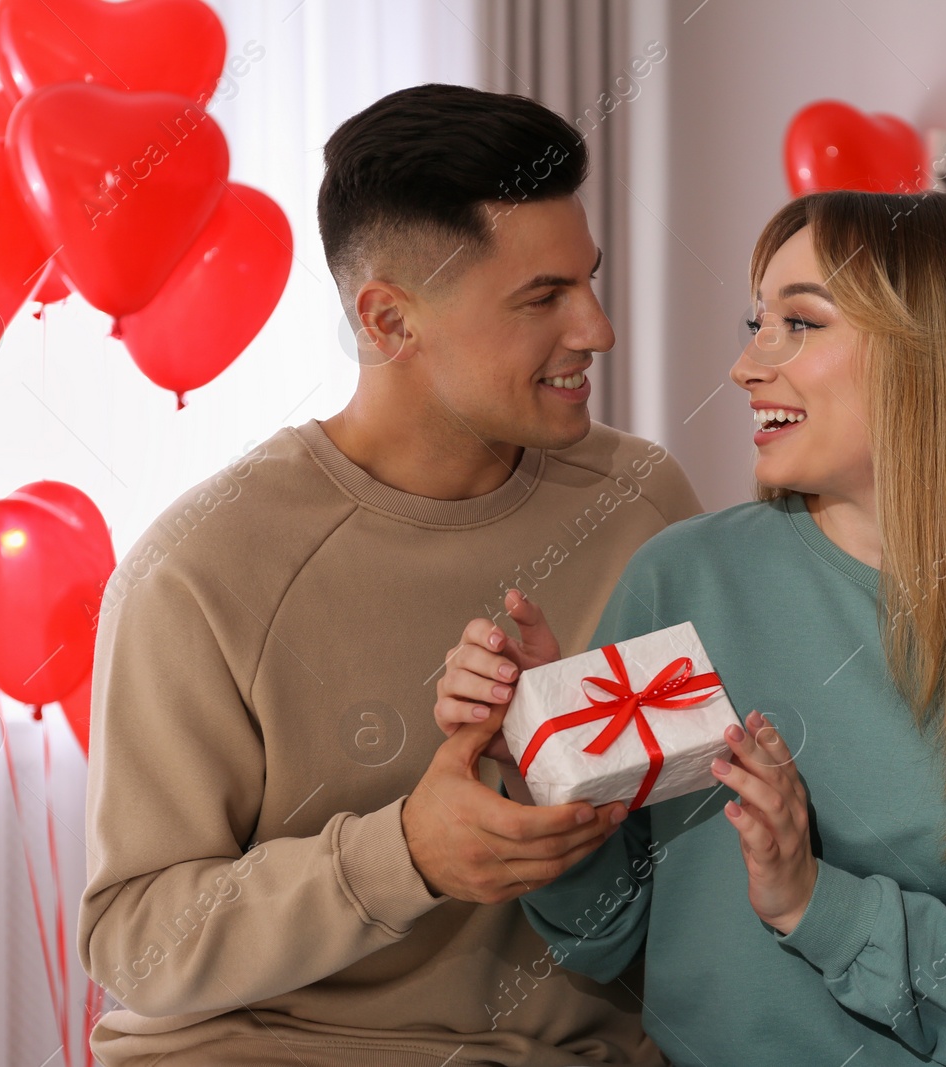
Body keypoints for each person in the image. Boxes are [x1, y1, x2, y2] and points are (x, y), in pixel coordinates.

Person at [436, 189, 946, 1066]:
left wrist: (818, 906)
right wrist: (545, 752)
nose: (746, 367)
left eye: (799, 323)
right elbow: (602, 937)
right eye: (756, 322)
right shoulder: (683, 578)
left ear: (937, 355)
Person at [77, 83, 701, 1067]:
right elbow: (135, 939)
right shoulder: (197, 567)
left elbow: (693, 846)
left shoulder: (642, 500)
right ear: (390, 320)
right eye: (542, 297)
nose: (597, 330)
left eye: (588, 280)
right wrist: (405, 851)